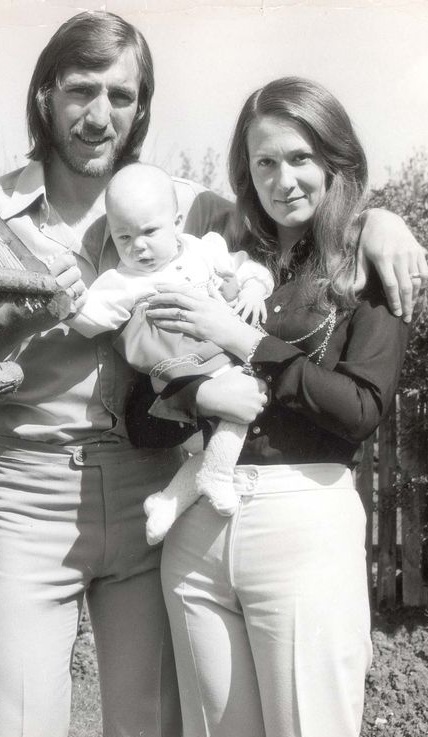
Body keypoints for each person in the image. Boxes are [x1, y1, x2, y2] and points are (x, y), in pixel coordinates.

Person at [0, 9, 427, 737]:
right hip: (32, 493)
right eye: (81, 90)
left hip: (156, 489)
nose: (99, 114)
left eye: (122, 94)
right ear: (45, 94)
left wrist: (379, 222)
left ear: (141, 105)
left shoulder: (191, 208)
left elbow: (293, 212)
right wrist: (30, 309)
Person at [127, 76, 411, 737]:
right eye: (263, 164)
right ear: (243, 175)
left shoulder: (365, 268)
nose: (283, 179)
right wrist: (195, 396)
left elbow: (358, 411)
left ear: (334, 160)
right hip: (197, 530)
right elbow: (140, 415)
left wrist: (245, 340)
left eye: (299, 158)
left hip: (301, 524)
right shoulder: (213, 259)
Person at [70, 161, 273, 537]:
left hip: (220, 353)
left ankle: (168, 502)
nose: (139, 246)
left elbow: (246, 267)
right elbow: (90, 318)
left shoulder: (202, 250)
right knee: (234, 416)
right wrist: (67, 304)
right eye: (124, 237)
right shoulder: (123, 281)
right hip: (179, 374)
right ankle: (210, 477)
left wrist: (252, 288)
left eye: (149, 231)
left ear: (177, 222)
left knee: (223, 429)